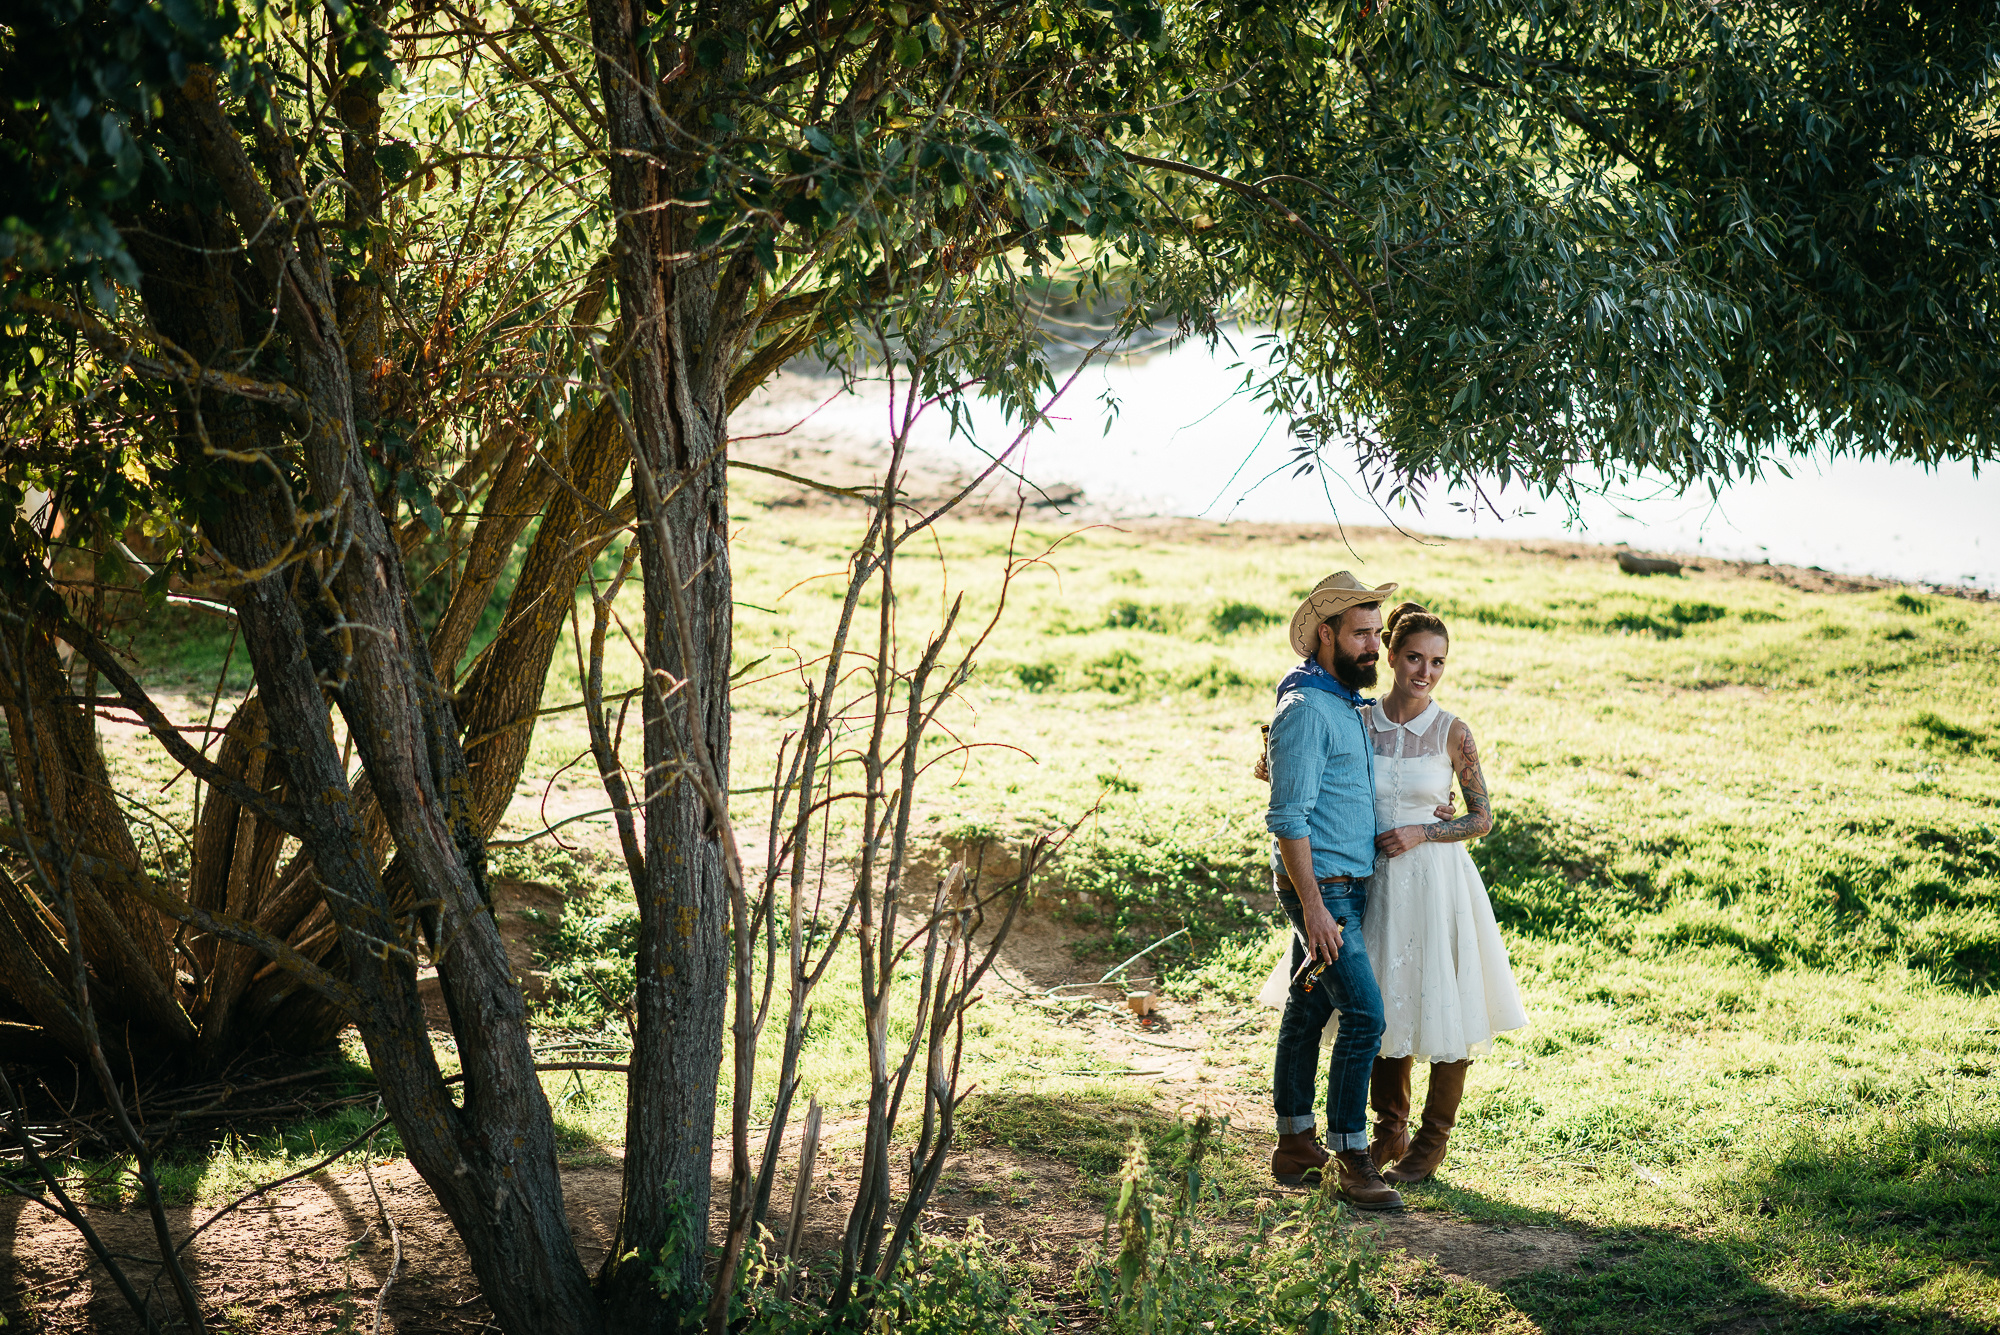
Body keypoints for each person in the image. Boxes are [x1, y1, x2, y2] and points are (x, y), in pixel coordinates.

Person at [1362, 602, 1529, 1185]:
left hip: (1437, 881)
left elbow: (1482, 817)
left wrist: (1426, 830)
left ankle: (1431, 1144)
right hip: (1376, 880)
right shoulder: (1362, 721)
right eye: (1414, 658)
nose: (1425, 672)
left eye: (1437, 662)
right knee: (1383, 1000)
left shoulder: (1454, 731)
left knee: (1443, 997)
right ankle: (1389, 1129)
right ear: (1389, 655)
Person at [1263, 570, 1406, 1209]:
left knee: (1309, 1009)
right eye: (1360, 635)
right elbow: (1287, 818)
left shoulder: (1341, 702)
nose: (1373, 647)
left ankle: (1294, 1143)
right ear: (1325, 636)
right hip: (1325, 891)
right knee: (1366, 1017)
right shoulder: (1306, 709)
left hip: (1346, 884)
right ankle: (1351, 1156)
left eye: (1377, 634)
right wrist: (1315, 909)